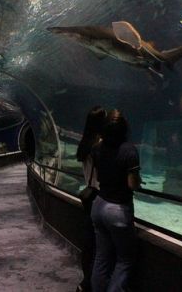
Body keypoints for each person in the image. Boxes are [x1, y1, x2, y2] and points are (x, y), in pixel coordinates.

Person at [91, 109, 141, 292]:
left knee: (101, 258)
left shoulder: (97, 148)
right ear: (125, 129)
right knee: (125, 260)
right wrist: (138, 180)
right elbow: (132, 184)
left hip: (99, 204)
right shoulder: (129, 150)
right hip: (118, 209)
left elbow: (98, 175)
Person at [76, 106, 107, 292]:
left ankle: (86, 280)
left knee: (89, 239)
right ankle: (91, 283)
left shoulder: (84, 143)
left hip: (88, 194)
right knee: (100, 243)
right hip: (99, 194)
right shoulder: (100, 144)